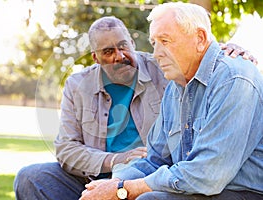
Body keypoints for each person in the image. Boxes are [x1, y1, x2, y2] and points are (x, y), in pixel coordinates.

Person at [13, 16, 256, 200]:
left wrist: (228, 51)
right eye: (108, 52)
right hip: (97, 174)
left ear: (132, 42)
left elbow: (194, 56)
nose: (119, 56)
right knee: (30, 177)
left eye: (123, 46)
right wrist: (116, 161)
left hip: (150, 176)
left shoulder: (163, 68)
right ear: (95, 58)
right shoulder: (77, 85)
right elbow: (66, 149)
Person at [80, 3, 263, 200]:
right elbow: (154, 159)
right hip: (197, 188)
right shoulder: (175, 88)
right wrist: (114, 183)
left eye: (165, 41)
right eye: (154, 43)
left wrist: (123, 190)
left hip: (241, 192)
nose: (157, 53)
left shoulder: (233, 79)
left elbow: (208, 174)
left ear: (200, 39)